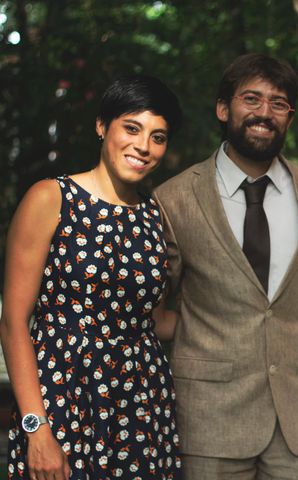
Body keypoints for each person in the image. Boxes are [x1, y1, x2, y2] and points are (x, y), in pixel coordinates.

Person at [153, 53, 298, 479]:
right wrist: (205, 332)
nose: (264, 112)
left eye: (278, 103)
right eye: (251, 98)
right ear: (223, 108)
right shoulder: (173, 199)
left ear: (289, 117)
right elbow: (152, 307)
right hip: (209, 419)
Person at [0, 75, 183, 480]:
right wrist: (36, 427)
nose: (143, 146)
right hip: (61, 404)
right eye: (132, 128)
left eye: (158, 137)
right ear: (102, 127)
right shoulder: (50, 198)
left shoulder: (156, 216)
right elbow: (14, 322)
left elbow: (152, 321)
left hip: (142, 406)